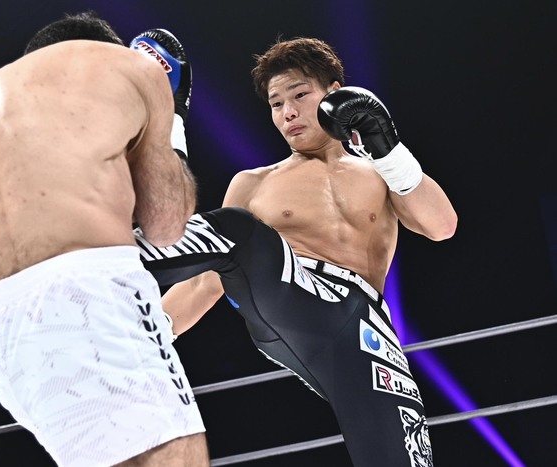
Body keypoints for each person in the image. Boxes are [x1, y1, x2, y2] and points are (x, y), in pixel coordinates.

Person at [134, 37, 457, 466]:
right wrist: (148, 334)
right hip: (288, 299)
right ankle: (103, 254)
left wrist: (389, 149)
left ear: (335, 93)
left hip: (365, 330)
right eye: (276, 103)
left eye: (299, 95)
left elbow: (441, 226)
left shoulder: (381, 172)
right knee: (240, 231)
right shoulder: (255, 183)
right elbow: (206, 282)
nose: (287, 112)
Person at [0, 10, 209, 467]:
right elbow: (166, 226)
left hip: (5, 333)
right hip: (90, 297)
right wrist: (173, 119)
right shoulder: (129, 67)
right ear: (103, 50)